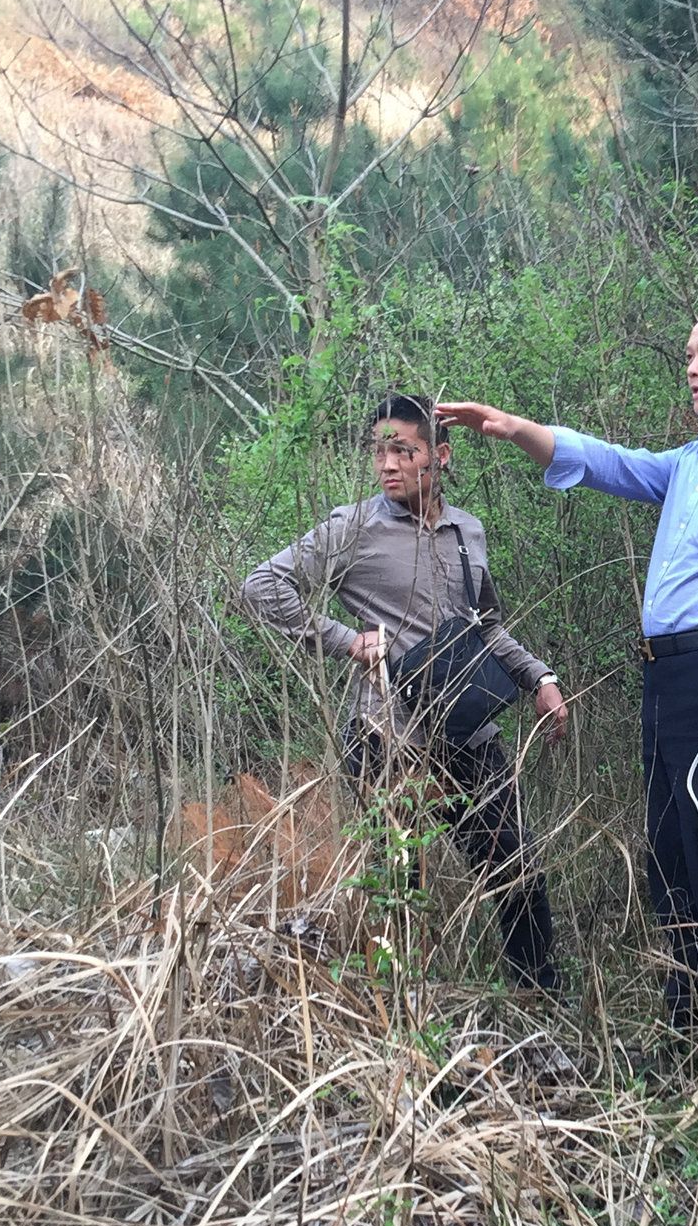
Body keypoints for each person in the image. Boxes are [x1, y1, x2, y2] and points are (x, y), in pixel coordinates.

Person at [439, 306, 698, 1026]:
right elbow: (609, 461)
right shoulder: (693, 462)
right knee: (671, 857)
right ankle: (697, 1030)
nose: (691, 366)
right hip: (666, 679)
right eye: (687, 353)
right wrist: (515, 426)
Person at [238, 394, 570, 992]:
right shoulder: (354, 527)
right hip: (386, 736)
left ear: (438, 457)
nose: (388, 464)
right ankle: (393, 1017)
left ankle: (538, 999)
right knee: (396, 887)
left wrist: (538, 677)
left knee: (513, 867)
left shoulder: (467, 530)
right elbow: (262, 587)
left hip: (468, 731)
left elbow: (485, 625)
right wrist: (347, 640)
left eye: (403, 451)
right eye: (379, 452)